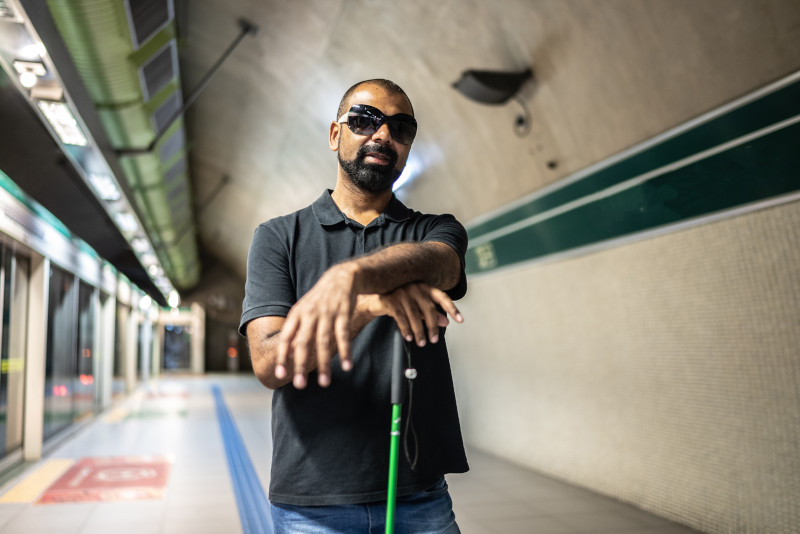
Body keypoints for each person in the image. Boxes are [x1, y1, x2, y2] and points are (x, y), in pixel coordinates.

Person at [240, 79, 469, 533]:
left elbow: (443, 265)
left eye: (401, 128)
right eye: (365, 120)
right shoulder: (278, 238)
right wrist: (367, 305)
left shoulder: (434, 232)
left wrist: (352, 276)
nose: (383, 135)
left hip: (420, 497)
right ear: (334, 134)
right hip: (312, 504)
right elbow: (270, 362)